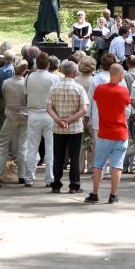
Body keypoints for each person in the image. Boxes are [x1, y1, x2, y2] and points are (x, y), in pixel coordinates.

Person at [86, 64, 131, 204]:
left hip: (104, 131)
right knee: (117, 165)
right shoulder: (123, 91)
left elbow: (96, 100)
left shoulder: (100, 89)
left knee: (99, 164)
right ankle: (113, 195)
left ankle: (95, 193)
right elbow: (127, 104)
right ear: (120, 75)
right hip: (120, 132)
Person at [46, 60, 89, 194]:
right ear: (75, 72)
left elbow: (49, 108)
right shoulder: (79, 88)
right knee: (74, 157)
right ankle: (74, 185)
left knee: (58, 156)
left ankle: (56, 184)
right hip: (75, 127)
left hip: (58, 128)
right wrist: (69, 120)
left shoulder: (54, 88)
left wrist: (59, 120)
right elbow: (84, 109)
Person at [23, 52, 60, 187]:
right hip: (49, 114)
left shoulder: (29, 77)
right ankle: (49, 179)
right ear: (48, 64)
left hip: (33, 114)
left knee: (32, 146)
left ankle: (29, 178)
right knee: (50, 147)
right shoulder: (53, 78)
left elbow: (26, 93)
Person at [0, 60, 29, 182]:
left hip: (11, 116)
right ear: (25, 70)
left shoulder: (6, 83)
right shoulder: (26, 84)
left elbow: (4, 96)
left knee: (2, 142)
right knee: (23, 145)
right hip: (25, 116)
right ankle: (22, 175)